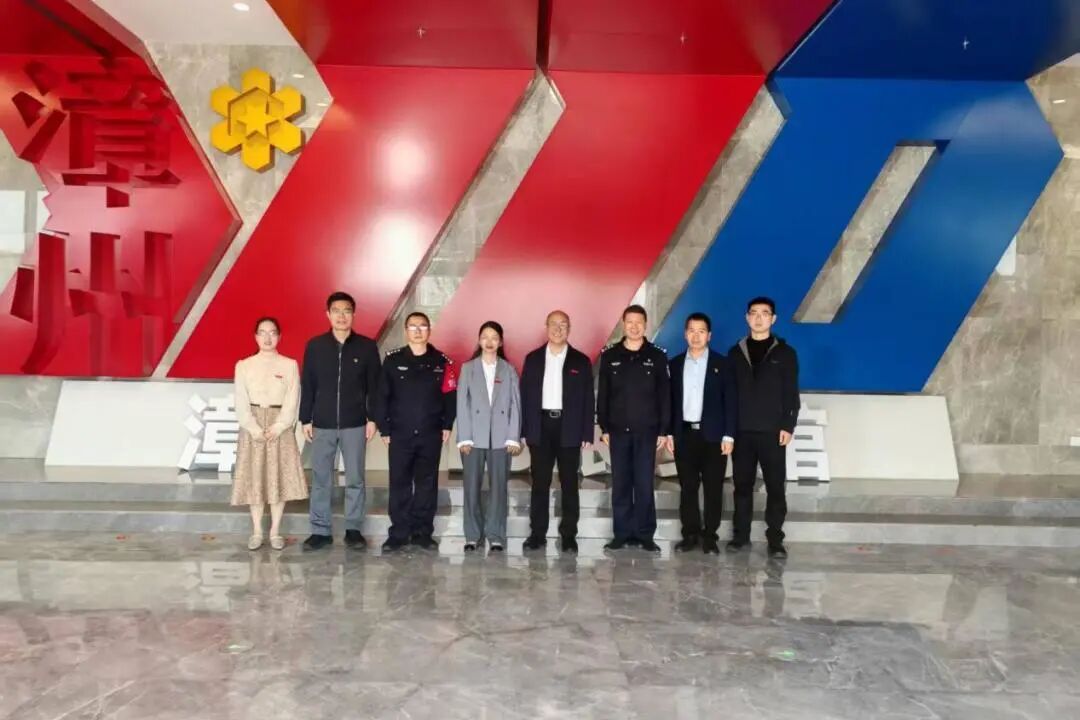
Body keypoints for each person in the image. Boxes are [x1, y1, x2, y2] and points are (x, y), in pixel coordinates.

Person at [299, 291, 381, 552]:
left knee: (355, 478)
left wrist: (373, 418)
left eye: (346, 311)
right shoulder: (315, 346)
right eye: (336, 311)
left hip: (355, 423)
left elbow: (374, 388)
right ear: (328, 314)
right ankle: (320, 530)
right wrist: (305, 418)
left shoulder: (366, 347)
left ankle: (353, 529)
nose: (341, 316)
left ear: (353, 314)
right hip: (322, 423)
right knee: (321, 478)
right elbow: (308, 384)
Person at [376, 312, 458, 552]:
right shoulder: (392, 360)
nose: (418, 331)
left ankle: (423, 533)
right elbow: (381, 397)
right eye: (413, 326)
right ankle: (399, 533)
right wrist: (384, 428)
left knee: (426, 484)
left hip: (430, 433)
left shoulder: (442, 361)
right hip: (399, 433)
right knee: (399, 483)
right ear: (406, 331)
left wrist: (447, 425)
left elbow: (450, 397)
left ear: (429, 331)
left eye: (423, 326)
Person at [728, 296, 799, 558]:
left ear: (773, 319)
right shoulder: (735, 353)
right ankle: (741, 536)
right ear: (747, 318)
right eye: (754, 313)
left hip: (772, 432)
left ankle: (775, 539)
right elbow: (729, 395)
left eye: (764, 313)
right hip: (742, 432)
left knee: (775, 487)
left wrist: (788, 425)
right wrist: (729, 431)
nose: (758, 318)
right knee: (742, 487)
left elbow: (791, 394)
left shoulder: (786, 354)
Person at [596, 305, 671, 553]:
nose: (634, 327)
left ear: (645, 325)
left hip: (647, 432)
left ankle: (645, 534)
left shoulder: (657, 356)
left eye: (639, 322)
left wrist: (663, 430)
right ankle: (621, 533)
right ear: (623, 324)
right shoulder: (610, 356)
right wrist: (604, 427)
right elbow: (603, 395)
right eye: (630, 322)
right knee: (621, 483)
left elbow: (664, 396)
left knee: (644, 484)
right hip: (617, 432)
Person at [520, 310, 594, 554]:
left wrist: (587, 432)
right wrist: (524, 430)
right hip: (540, 426)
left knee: (570, 483)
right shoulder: (533, 359)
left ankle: (569, 535)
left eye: (563, 324)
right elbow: (524, 396)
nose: (558, 329)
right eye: (554, 324)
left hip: (569, 426)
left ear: (569, 329)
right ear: (546, 326)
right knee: (539, 483)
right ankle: (537, 534)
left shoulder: (580, 361)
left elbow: (588, 399)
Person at [232, 317, 309, 551]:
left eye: (272, 333)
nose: (267, 338)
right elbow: (240, 400)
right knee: (255, 478)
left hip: (280, 427)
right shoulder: (244, 365)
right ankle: (257, 531)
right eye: (262, 333)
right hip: (253, 425)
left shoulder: (289, 365)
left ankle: (275, 531)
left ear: (279, 336)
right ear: (255, 337)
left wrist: (279, 425)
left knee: (278, 478)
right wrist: (253, 428)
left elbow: (292, 398)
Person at [669, 312, 737, 555]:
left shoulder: (723, 364)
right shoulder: (674, 364)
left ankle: (710, 536)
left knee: (713, 488)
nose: (696, 336)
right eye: (691, 331)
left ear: (709, 335)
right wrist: (669, 433)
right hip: (684, 435)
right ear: (685, 334)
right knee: (687, 487)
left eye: (701, 331)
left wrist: (729, 435)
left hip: (714, 437)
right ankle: (690, 534)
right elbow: (669, 402)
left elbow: (731, 401)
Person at [456, 321, 522, 553]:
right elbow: (462, 404)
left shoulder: (509, 369)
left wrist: (513, 437)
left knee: (498, 489)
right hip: (473, 438)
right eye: (485, 337)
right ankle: (472, 535)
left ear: (501, 342)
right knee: (471, 487)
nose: (490, 341)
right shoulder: (468, 368)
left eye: (494, 337)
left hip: (501, 438)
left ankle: (495, 535)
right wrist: (464, 437)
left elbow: (515, 404)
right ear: (479, 340)